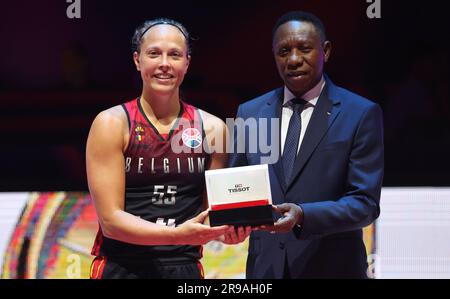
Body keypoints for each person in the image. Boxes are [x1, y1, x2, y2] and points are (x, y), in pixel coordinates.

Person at [86, 18, 250, 279]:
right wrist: (176, 235)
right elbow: (111, 223)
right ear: (138, 60)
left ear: (187, 63)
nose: (164, 63)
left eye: (174, 55)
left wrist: (229, 231)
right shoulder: (111, 124)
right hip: (121, 267)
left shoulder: (214, 129)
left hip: (183, 268)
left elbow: (212, 214)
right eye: (154, 54)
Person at [229, 11, 384, 278]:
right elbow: (237, 189)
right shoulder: (249, 112)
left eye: (304, 49)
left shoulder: (360, 113)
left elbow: (365, 205)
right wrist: (229, 220)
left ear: (325, 51)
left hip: (333, 269)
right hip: (265, 270)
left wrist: (303, 215)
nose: (293, 60)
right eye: (283, 51)